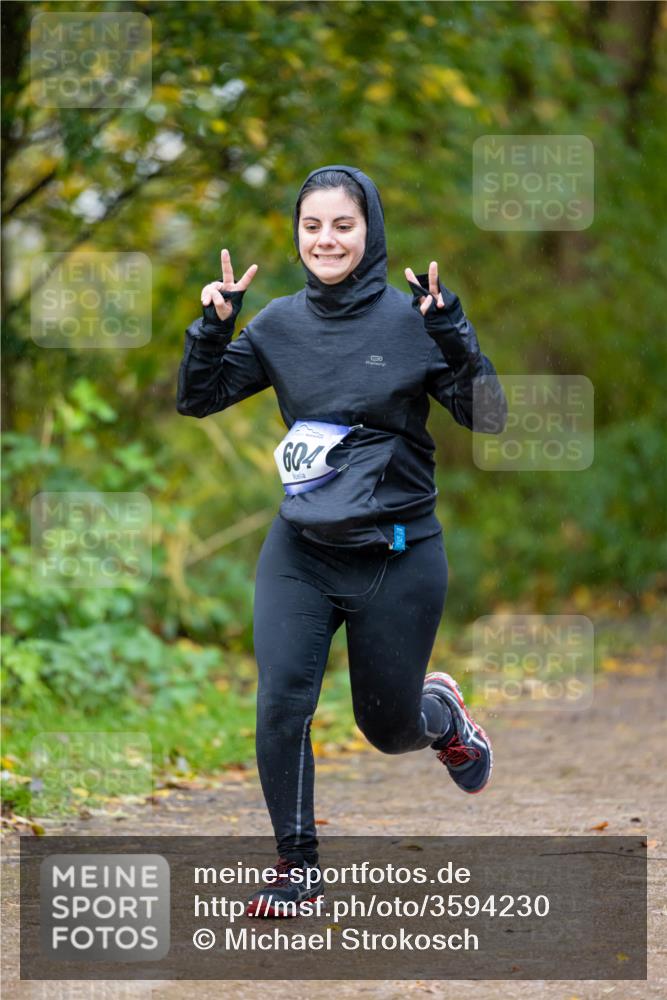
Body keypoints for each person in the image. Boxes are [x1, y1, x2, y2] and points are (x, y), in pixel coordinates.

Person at [176, 164, 507, 918]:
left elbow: (487, 418)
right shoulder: (279, 325)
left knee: (385, 728)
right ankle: (297, 870)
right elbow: (198, 398)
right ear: (297, 235)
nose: (325, 239)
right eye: (311, 226)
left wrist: (454, 334)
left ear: (370, 231)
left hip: (398, 552)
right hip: (301, 548)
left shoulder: (413, 320)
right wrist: (213, 326)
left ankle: (441, 717)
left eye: (342, 225)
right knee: (280, 703)